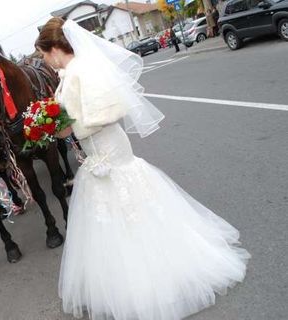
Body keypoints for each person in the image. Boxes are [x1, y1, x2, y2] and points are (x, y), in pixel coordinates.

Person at [35, 18, 250, 320]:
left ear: (55, 48)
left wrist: (66, 126)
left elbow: (110, 110)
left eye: (44, 54)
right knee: (112, 218)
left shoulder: (83, 70)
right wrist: (52, 126)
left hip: (110, 152)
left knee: (133, 209)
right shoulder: (69, 75)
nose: (44, 60)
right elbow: (72, 119)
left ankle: (153, 283)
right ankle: (123, 281)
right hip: (97, 156)